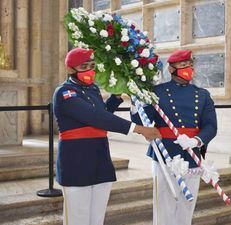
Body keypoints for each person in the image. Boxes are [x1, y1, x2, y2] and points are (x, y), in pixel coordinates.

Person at [53, 47, 161, 225]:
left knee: (97, 219)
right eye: (84, 66)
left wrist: (117, 96)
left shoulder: (92, 89)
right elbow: (97, 117)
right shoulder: (65, 93)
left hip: (100, 161)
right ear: (70, 69)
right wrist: (139, 129)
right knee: (77, 219)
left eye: (92, 65)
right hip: (76, 164)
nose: (90, 70)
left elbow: (102, 112)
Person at [131, 49, 217, 225]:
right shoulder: (157, 92)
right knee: (164, 207)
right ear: (171, 69)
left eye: (191, 65)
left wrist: (196, 141)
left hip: (192, 155)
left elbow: (211, 126)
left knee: (187, 207)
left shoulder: (203, 95)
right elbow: (142, 121)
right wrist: (136, 101)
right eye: (184, 65)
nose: (189, 69)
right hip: (165, 155)